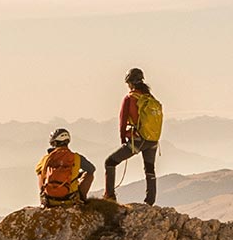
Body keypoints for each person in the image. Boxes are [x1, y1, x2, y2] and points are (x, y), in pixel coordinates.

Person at [104, 68, 162, 205]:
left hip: (138, 139)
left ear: (129, 83)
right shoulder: (149, 98)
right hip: (153, 139)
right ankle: (150, 200)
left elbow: (122, 121)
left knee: (110, 162)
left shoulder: (130, 98)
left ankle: (109, 196)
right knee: (149, 168)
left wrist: (123, 139)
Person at [36, 128, 95, 207]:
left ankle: (43, 197)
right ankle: (81, 199)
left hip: (50, 199)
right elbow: (92, 169)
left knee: (40, 173)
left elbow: (38, 171)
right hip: (69, 199)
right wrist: (77, 174)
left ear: (54, 142)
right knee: (90, 174)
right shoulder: (77, 158)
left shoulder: (46, 158)